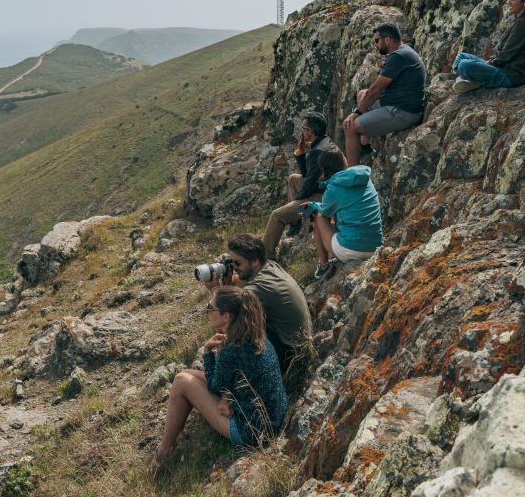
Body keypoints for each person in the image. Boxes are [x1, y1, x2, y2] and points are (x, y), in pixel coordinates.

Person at [152, 286, 287, 467]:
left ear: (226, 316)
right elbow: (232, 380)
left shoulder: (232, 350)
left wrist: (207, 352)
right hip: (273, 418)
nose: (207, 312)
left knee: (181, 381)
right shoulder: (256, 335)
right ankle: (178, 432)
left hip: (253, 432)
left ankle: (164, 451)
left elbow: (215, 385)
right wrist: (226, 397)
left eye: (210, 308)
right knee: (187, 375)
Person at [204, 234, 312, 376]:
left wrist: (215, 289)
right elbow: (239, 284)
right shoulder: (269, 266)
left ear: (255, 261)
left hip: (290, 354)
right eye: (232, 262)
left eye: (237, 263)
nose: (234, 267)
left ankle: (229, 375)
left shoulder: (261, 286)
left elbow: (225, 311)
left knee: (231, 323)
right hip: (295, 341)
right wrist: (228, 277)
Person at [342, 23, 426, 166]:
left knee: (350, 126)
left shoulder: (399, 57)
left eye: (377, 40)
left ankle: (352, 173)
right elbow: (373, 91)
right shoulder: (404, 52)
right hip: (395, 104)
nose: (375, 44)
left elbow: (376, 89)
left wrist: (356, 113)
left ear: (387, 40)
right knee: (362, 93)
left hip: (402, 112)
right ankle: (365, 142)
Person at [262, 111, 338, 260]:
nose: (302, 131)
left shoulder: (318, 151)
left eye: (304, 128)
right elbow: (307, 175)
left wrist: (294, 203)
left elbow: (308, 187)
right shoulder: (324, 142)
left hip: (323, 197)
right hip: (326, 190)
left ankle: (266, 256)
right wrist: (301, 152)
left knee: (277, 215)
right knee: (293, 179)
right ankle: (296, 222)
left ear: (310, 131)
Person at [303, 149, 383, 278]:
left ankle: (323, 266)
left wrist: (312, 205)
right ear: (343, 161)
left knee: (318, 216)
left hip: (351, 250)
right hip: (376, 245)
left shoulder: (332, 189)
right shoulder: (364, 177)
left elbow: (324, 212)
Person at [451, 0, 525, 94]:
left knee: (464, 65)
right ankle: (473, 80)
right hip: (502, 67)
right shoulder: (521, 20)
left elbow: (505, 55)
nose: (508, 2)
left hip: (510, 76)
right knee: (461, 56)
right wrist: (489, 62)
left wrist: (490, 63)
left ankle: (469, 79)